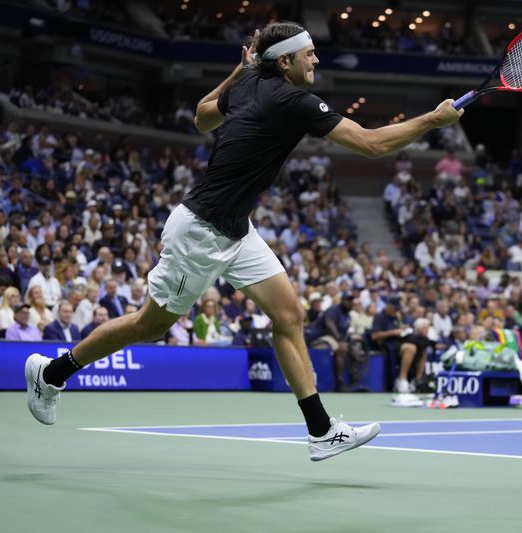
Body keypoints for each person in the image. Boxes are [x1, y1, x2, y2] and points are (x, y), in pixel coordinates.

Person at [24, 21, 463, 461]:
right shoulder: (293, 99)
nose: (317, 59)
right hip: (200, 231)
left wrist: (240, 71)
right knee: (150, 325)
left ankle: (321, 430)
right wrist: (433, 119)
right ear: (285, 60)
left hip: (236, 228)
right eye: (308, 53)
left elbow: (202, 116)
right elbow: (370, 145)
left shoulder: (252, 82)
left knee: (289, 314)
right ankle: (52, 373)